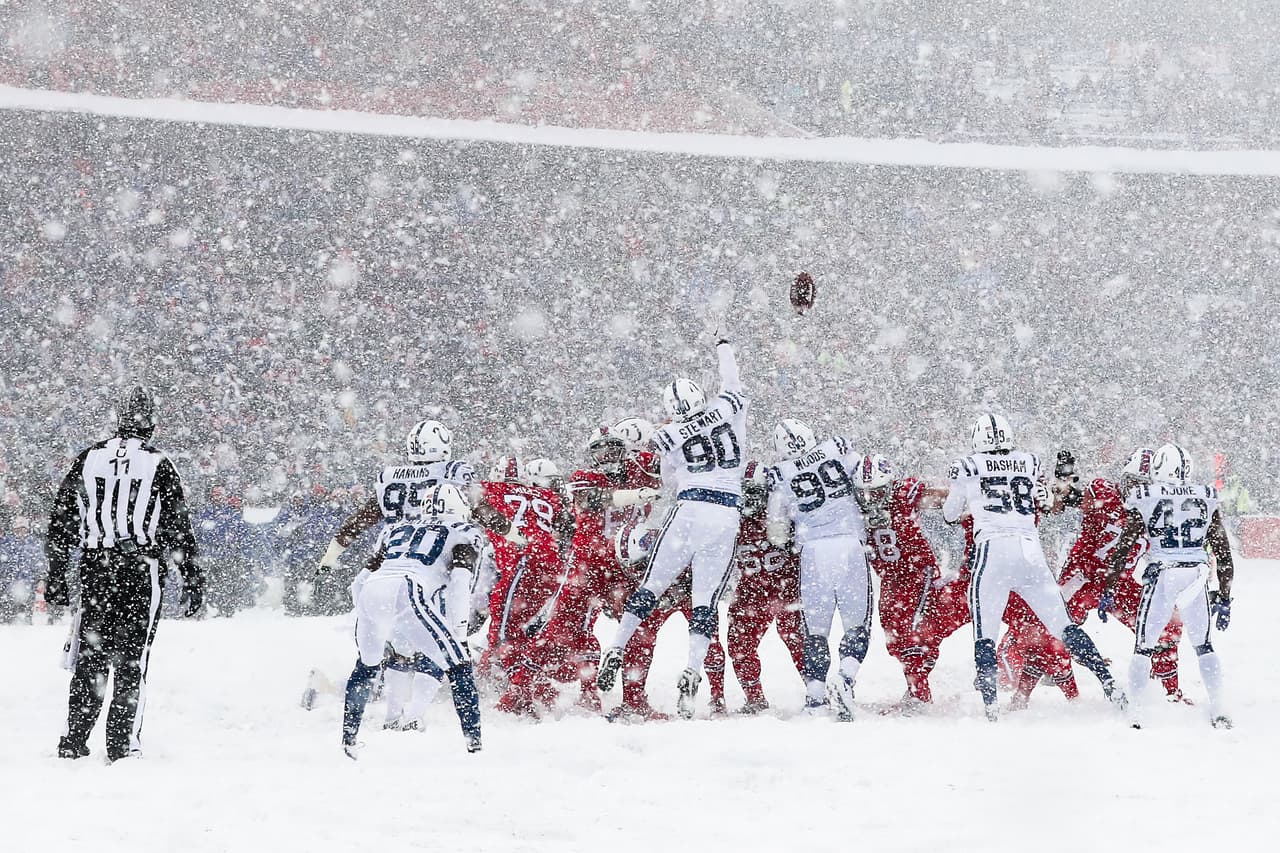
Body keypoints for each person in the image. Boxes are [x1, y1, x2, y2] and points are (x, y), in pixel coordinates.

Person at [320, 419, 513, 730]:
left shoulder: (391, 477)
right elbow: (482, 511)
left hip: (392, 554)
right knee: (448, 627)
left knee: (394, 635)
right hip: (437, 561)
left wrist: (330, 556)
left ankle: (388, 696)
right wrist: (516, 534)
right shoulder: (452, 475)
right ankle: (420, 705)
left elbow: (361, 520)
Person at [43, 386, 204, 761]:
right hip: (139, 567)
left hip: (96, 566)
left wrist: (55, 574)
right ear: (150, 423)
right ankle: (120, 745)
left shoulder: (89, 457)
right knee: (133, 660)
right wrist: (192, 577)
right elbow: (177, 527)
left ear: (119, 419)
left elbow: (62, 521)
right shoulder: (158, 462)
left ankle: (73, 741)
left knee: (91, 657)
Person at [597, 333, 748, 719]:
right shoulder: (728, 409)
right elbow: (732, 382)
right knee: (705, 601)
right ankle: (693, 668)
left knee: (651, 584)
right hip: (726, 511)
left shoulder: (666, 436)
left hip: (690, 508)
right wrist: (723, 346)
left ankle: (616, 645)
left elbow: (668, 482)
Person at [941, 413, 1123, 721]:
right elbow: (1046, 501)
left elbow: (949, 514)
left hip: (993, 550)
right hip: (1030, 552)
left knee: (985, 633)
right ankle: (1110, 684)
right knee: (1065, 627)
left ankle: (990, 707)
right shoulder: (1029, 461)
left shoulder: (967, 465)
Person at [505, 426, 660, 714]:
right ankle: (517, 691)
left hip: (624, 569)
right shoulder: (584, 478)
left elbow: (667, 463)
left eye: (614, 449)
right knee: (556, 632)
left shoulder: (640, 474)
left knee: (641, 630)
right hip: (587, 568)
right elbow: (592, 500)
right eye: (602, 451)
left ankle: (634, 699)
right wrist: (635, 495)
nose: (609, 456)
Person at [340, 484, 484, 757]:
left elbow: (359, 581)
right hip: (408, 589)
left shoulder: (399, 529)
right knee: (459, 666)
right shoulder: (463, 534)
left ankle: (349, 738)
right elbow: (460, 584)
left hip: (373, 590)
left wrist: (366, 619)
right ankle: (474, 744)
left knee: (366, 667)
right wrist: (460, 632)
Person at [1100, 443, 1235, 729]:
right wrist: (1224, 596)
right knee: (1204, 645)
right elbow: (1223, 552)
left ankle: (1136, 709)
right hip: (1196, 575)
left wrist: (1109, 587)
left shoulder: (1145, 496)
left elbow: (1123, 549)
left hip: (1164, 573)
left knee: (1144, 647)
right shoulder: (1205, 496)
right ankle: (1219, 706)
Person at [1055, 448, 1186, 700]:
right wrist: (1064, 484)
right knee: (1047, 625)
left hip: (1119, 583)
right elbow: (1070, 498)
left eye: (1142, 484)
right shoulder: (1104, 492)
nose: (1135, 490)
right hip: (1082, 577)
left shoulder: (1156, 513)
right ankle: (1014, 669)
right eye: (1131, 482)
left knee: (1165, 626)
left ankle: (1171, 692)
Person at [762, 421, 870, 720]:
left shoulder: (780, 475)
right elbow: (868, 477)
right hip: (849, 544)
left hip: (812, 552)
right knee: (856, 626)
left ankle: (815, 697)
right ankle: (845, 678)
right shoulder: (837, 450)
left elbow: (777, 533)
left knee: (816, 632)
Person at [853, 454, 950, 708]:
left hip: (919, 572)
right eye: (862, 493)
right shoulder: (855, 507)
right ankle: (916, 683)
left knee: (913, 632)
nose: (868, 500)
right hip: (891, 577)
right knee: (893, 636)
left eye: (875, 493)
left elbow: (940, 497)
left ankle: (920, 693)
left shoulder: (903, 493)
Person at [726, 462, 804, 714]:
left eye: (755, 492)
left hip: (785, 589)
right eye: (745, 492)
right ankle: (754, 697)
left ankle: (818, 692)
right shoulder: (731, 520)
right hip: (751, 591)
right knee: (738, 644)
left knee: (799, 643)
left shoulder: (784, 515)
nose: (750, 499)